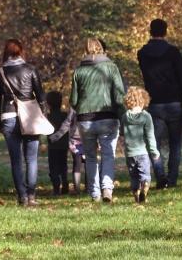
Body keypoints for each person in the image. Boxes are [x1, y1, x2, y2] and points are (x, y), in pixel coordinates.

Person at [137, 19, 182, 188]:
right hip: (174, 103)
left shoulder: (142, 53)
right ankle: (172, 180)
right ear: (165, 32)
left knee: (154, 143)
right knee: (175, 143)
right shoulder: (173, 53)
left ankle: (160, 176)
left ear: (150, 31)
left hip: (154, 103)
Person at [70, 38, 125, 202]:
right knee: (108, 154)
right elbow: (119, 96)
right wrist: (122, 115)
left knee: (91, 157)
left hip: (85, 119)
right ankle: (107, 189)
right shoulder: (112, 68)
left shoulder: (78, 72)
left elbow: (73, 101)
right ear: (102, 49)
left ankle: (95, 194)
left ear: (85, 51)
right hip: (108, 117)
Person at [0, 39, 46, 206]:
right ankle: (32, 196)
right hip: (30, 117)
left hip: (8, 117)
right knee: (31, 159)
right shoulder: (31, 70)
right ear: (21, 51)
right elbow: (41, 96)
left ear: (6, 53)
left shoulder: (0, 73)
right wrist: (41, 115)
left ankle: (22, 197)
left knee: (16, 160)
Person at [121, 86, 160, 203]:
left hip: (129, 153)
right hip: (142, 153)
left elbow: (122, 132)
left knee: (134, 177)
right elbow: (150, 136)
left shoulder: (124, 117)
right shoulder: (146, 116)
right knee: (145, 175)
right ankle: (145, 189)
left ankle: (137, 198)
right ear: (143, 100)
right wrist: (154, 151)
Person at [50, 108, 85, 195]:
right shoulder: (93, 105)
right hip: (86, 138)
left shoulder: (74, 109)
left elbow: (67, 123)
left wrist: (56, 136)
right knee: (88, 163)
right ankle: (88, 188)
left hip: (77, 139)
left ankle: (78, 190)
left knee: (77, 164)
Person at [46, 91, 69, 195]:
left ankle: (56, 187)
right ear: (60, 102)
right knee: (63, 166)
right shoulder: (65, 115)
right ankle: (65, 185)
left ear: (48, 103)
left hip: (53, 146)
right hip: (64, 146)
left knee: (53, 168)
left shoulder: (47, 117)